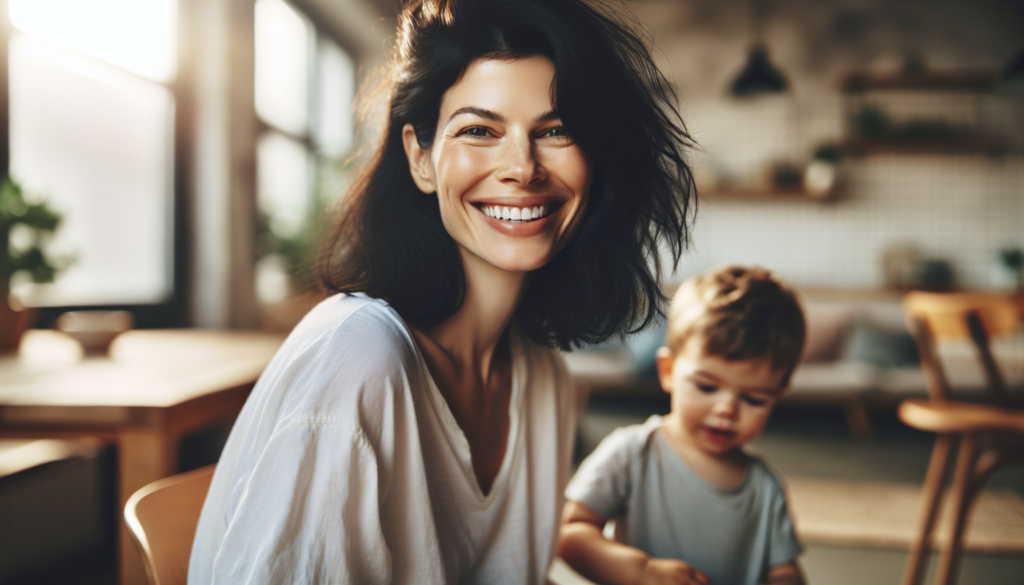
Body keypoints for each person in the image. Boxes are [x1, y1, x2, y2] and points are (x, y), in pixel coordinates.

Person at [189, 0, 695, 583]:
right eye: (480, 130)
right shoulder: (358, 359)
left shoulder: (544, 377)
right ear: (421, 158)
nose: (522, 167)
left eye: (556, 130)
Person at [558, 266, 807, 585]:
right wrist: (642, 573)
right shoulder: (632, 453)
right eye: (706, 387)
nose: (726, 409)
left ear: (777, 397)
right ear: (668, 371)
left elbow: (784, 571)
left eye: (754, 399)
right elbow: (570, 534)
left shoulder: (765, 488)